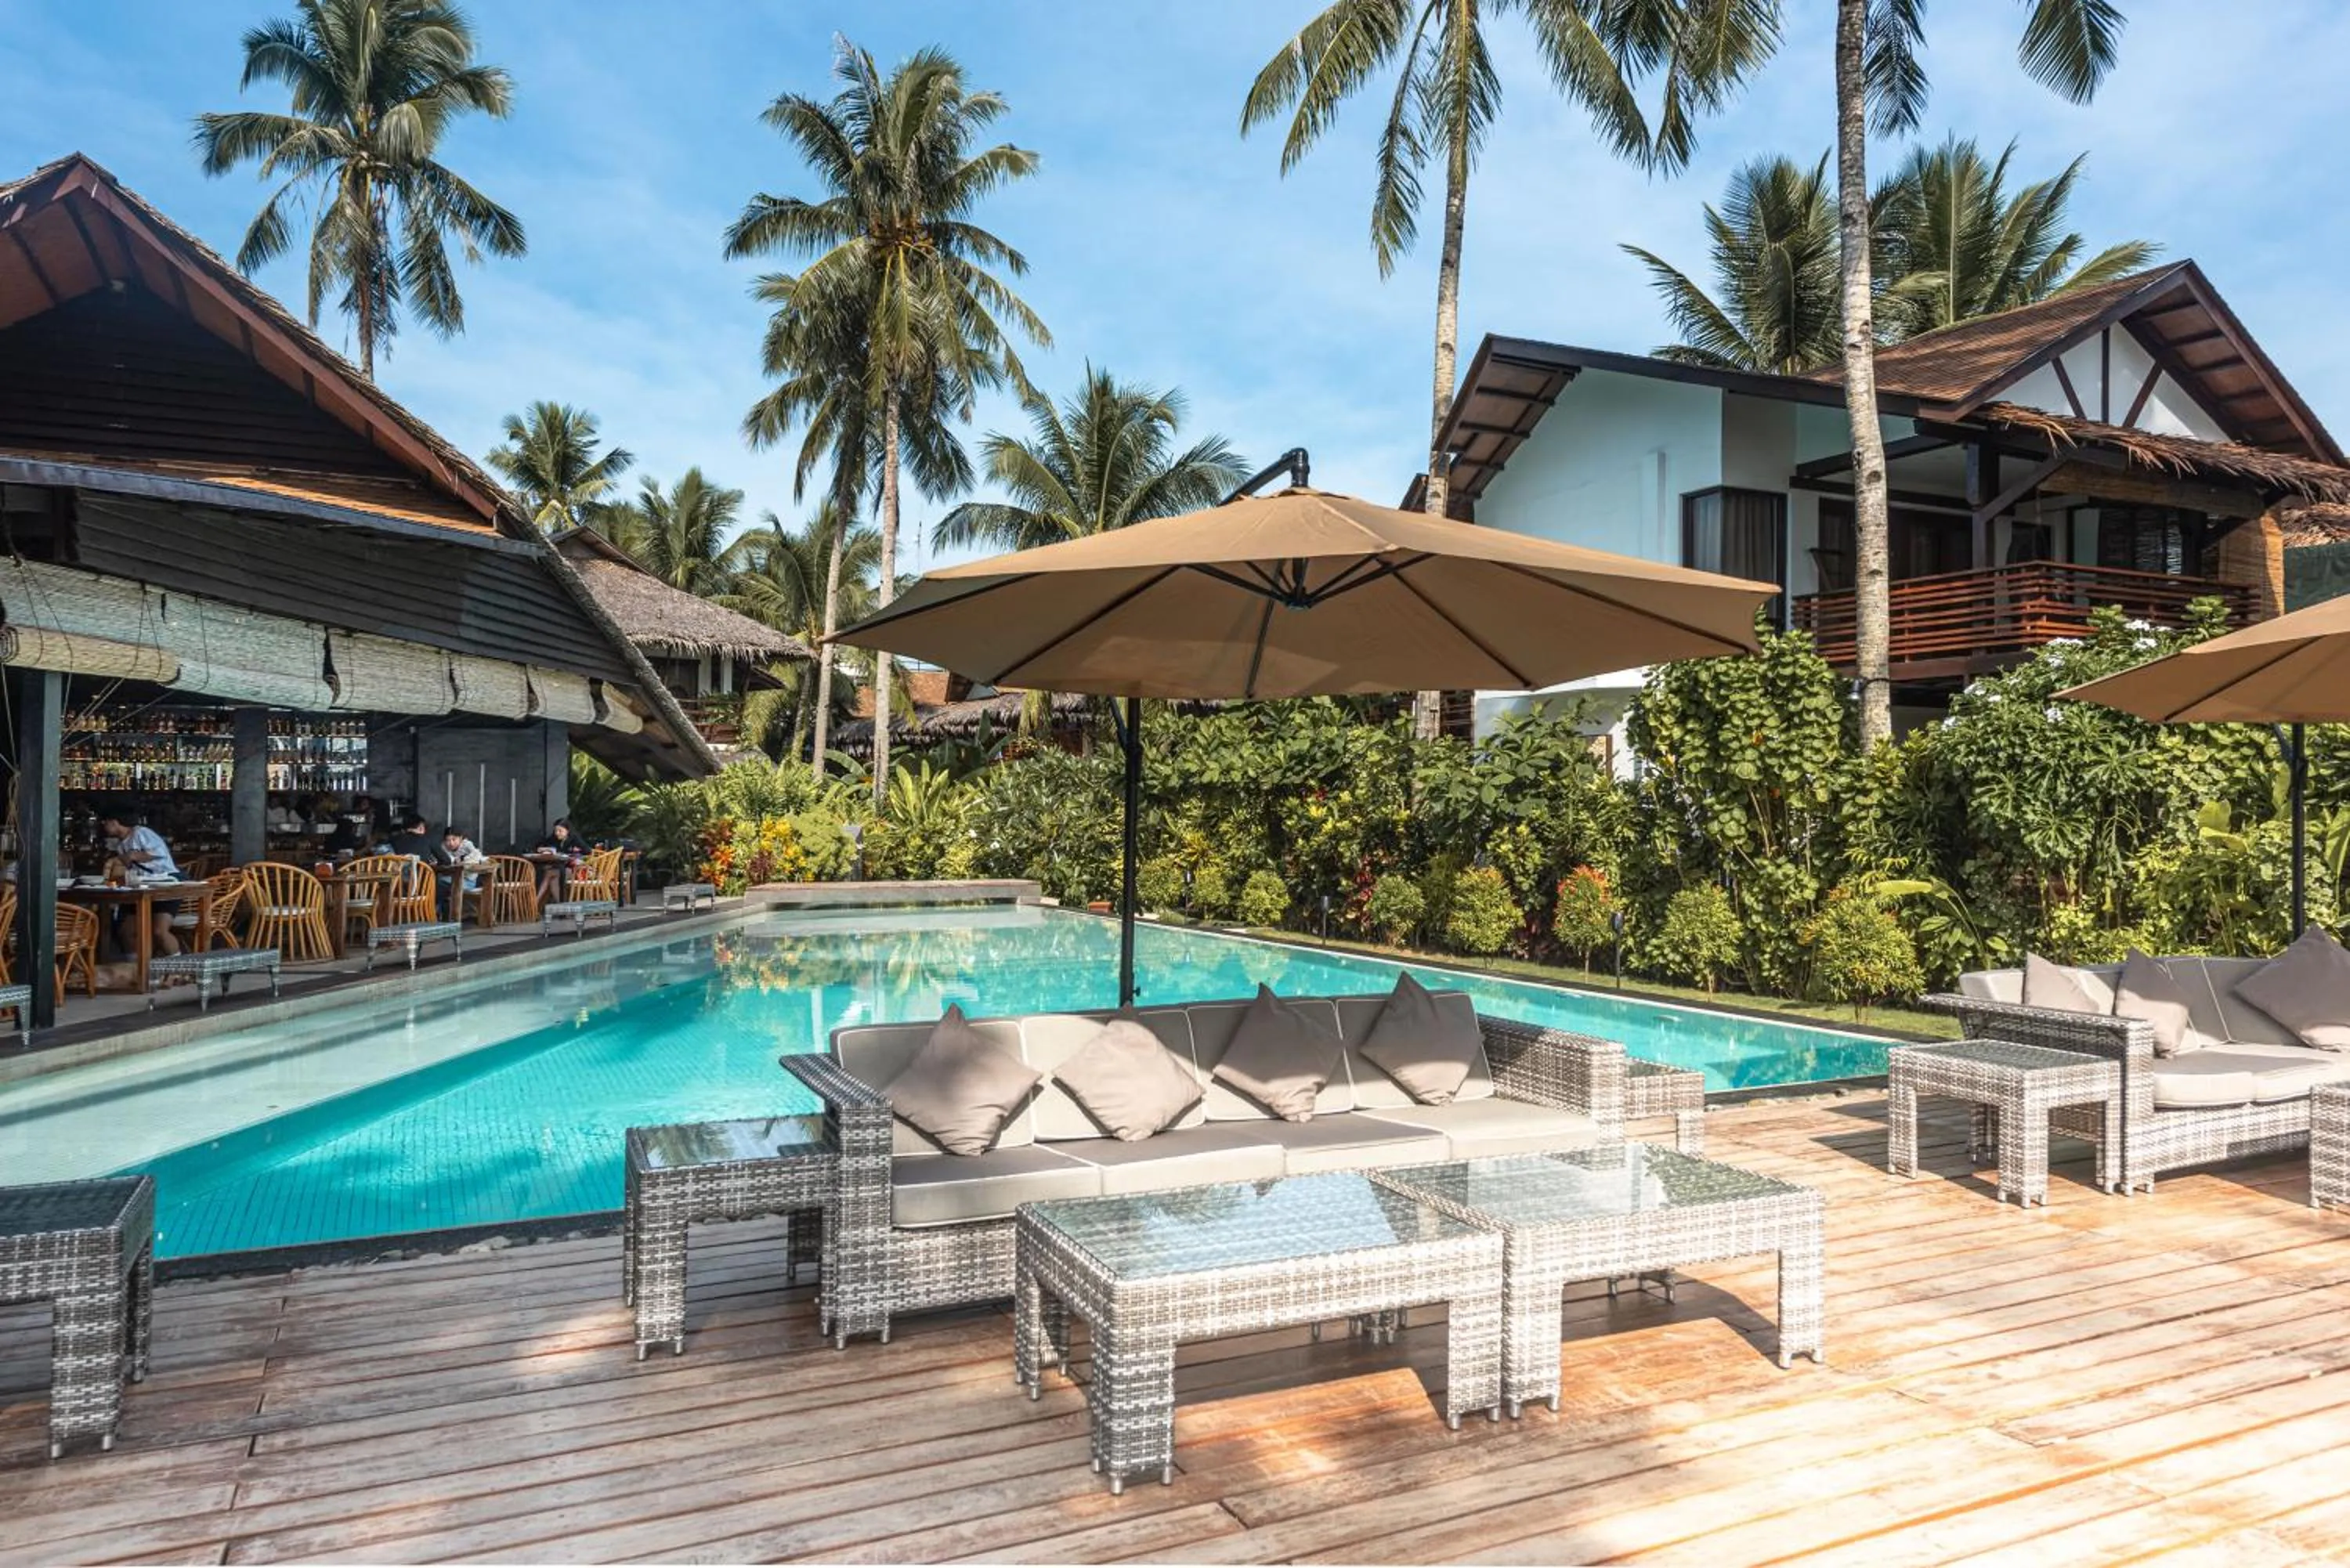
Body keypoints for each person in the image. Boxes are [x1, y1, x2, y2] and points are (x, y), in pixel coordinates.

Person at [98, 812, 183, 959]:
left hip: (166, 882)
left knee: (159, 932)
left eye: (105, 822)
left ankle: (180, 966)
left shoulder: (141, 833)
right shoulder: (120, 845)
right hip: (142, 886)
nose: (103, 826)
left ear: (114, 822)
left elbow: (159, 853)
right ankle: (136, 967)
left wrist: (132, 856)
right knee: (126, 931)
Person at [436, 825, 486, 919]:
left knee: (441, 885)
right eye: (448, 840)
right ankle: (440, 913)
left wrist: (462, 859)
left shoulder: (467, 845)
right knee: (438, 884)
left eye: (454, 839)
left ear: (461, 838)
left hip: (468, 881)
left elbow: (478, 856)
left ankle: (445, 914)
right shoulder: (443, 847)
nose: (451, 843)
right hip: (451, 879)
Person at [534, 818, 583, 903]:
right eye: (556, 831)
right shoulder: (555, 839)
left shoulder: (574, 839)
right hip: (561, 868)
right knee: (552, 879)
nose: (557, 833)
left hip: (576, 870)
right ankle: (562, 906)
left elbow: (587, 852)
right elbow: (540, 845)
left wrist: (575, 854)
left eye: (560, 831)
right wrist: (543, 849)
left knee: (549, 873)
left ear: (568, 831)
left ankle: (535, 902)